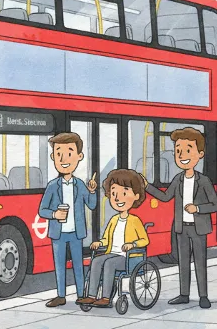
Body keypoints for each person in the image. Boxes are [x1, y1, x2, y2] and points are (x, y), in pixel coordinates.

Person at [142, 127, 217, 308]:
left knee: (200, 263)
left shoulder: (204, 181)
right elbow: (166, 197)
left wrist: (197, 208)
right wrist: (147, 187)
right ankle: (184, 294)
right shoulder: (178, 179)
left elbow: (214, 205)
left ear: (200, 154)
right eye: (178, 151)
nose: (182, 155)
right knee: (183, 262)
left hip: (198, 228)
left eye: (187, 150)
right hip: (181, 228)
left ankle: (203, 296)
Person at [38, 132, 98, 308]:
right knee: (60, 265)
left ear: (79, 156)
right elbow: (42, 210)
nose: (64, 159)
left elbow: (92, 205)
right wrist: (55, 215)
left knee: (78, 265)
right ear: (53, 157)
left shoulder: (79, 184)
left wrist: (92, 191)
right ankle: (61, 295)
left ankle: (81, 294)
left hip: (76, 232)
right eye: (58, 154)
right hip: (58, 233)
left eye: (69, 153)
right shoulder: (52, 186)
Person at [78, 169, 149, 307]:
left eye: (124, 193)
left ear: (136, 196)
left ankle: (106, 298)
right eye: (114, 193)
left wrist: (132, 245)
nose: (117, 198)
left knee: (109, 264)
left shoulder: (135, 221)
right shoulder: (114, 220)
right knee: (97, 261)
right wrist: (100, 243)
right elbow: (106, 239)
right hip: (112, 254)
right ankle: (91, 295)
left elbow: (144, 240)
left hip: (128, 258)